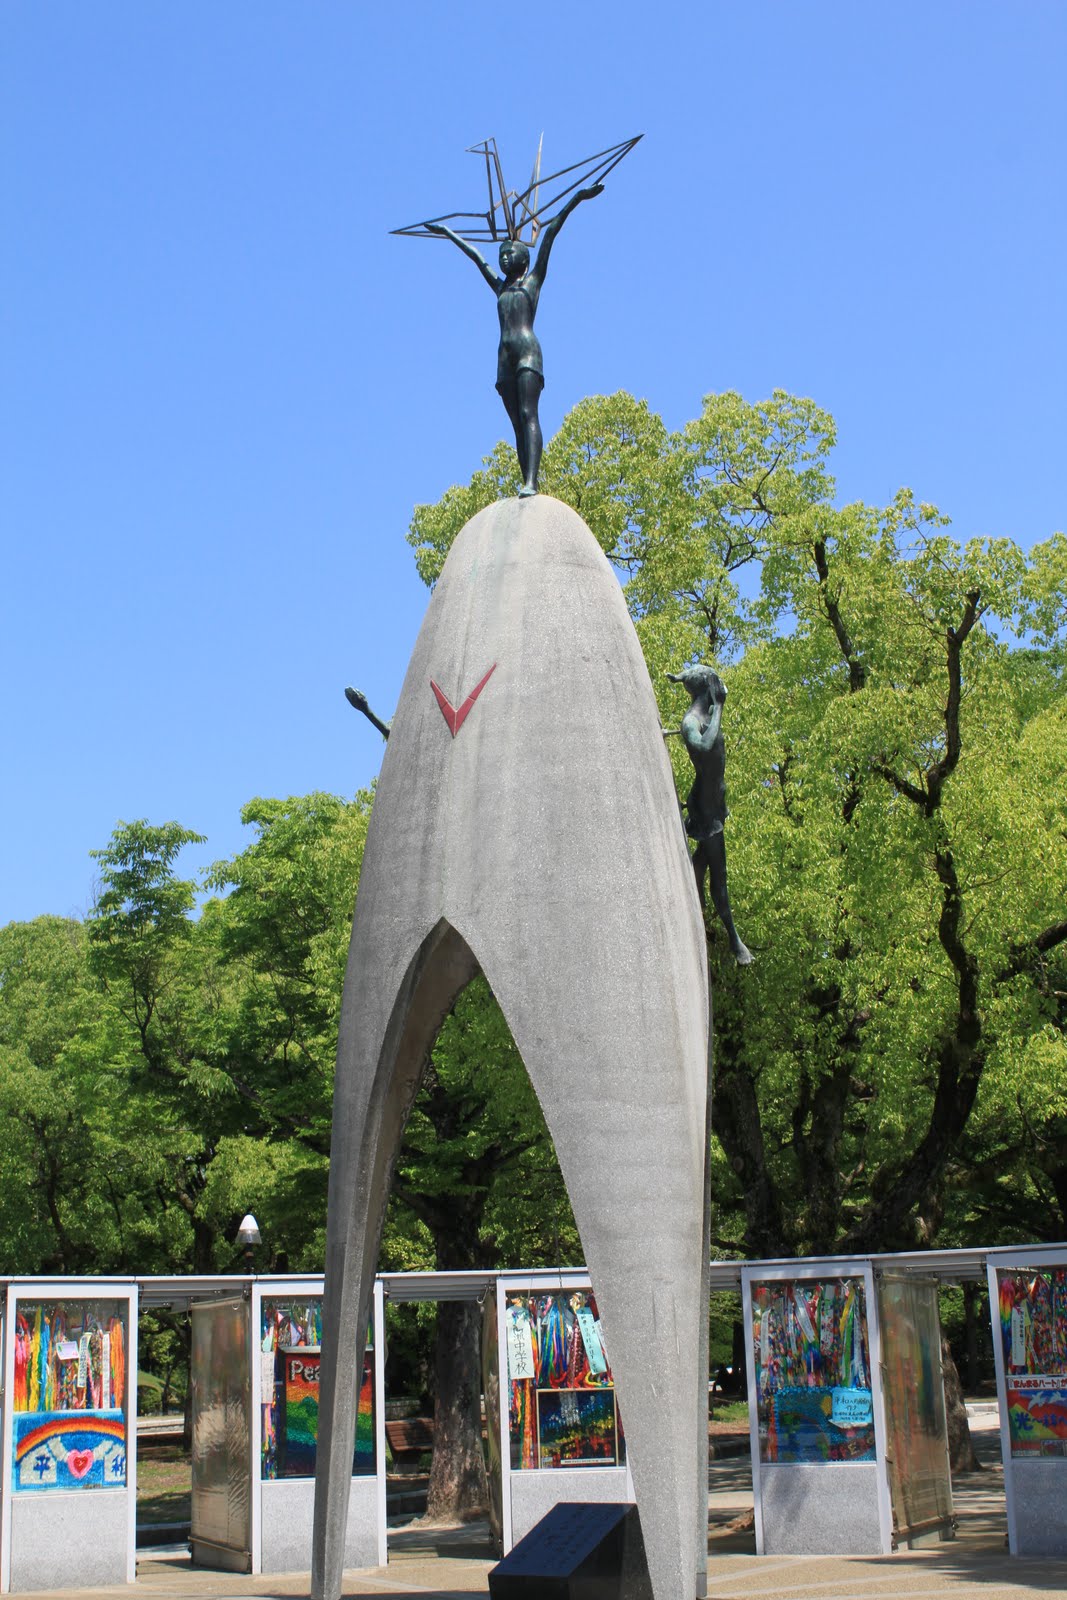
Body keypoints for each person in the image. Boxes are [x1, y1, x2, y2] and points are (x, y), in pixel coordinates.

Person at [425, 183, 603, 496]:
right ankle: (526, 480)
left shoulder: (532, 282)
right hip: (504, 358)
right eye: (502, 254)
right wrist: (448, 233)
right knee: (515, 425)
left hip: (527, 353)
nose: (505, 258)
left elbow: (550, 234)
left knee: (528, 414)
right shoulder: (500, 288)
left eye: (510, 253)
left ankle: (531, 482)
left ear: (523, 255)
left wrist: (577, 198)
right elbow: (477, 259)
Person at [667, 665, 753, 965]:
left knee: (706, 859)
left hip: (713, 801)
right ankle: (734, 940)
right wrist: (719, 712)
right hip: (705, 809)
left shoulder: (703, 717)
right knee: (720, 875)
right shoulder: (693, 721)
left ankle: (695, 890)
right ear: (708, 689)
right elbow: (702, 747)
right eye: (717, 684)